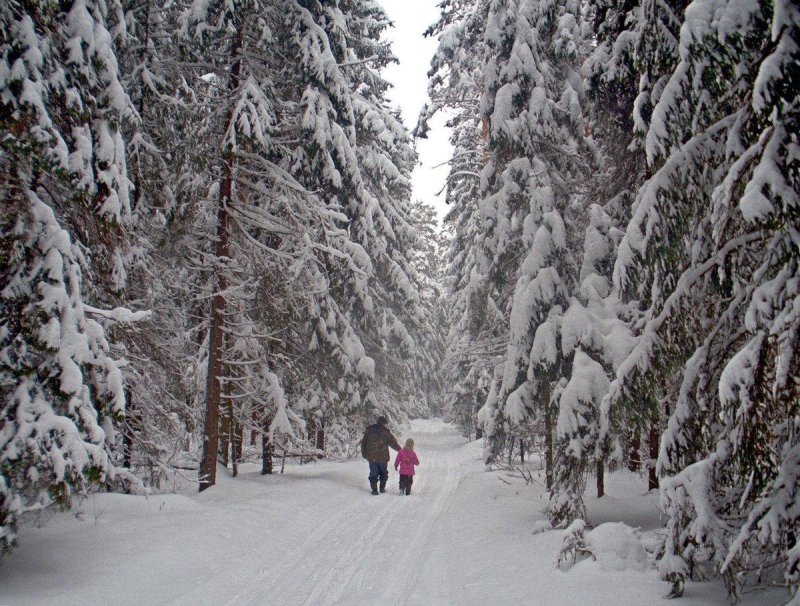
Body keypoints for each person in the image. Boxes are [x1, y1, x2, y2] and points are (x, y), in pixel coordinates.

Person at [360, 416, 401, 495]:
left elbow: (363, 443)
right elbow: (393, 443)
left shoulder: (369, 431)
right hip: (383, 457)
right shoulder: (386, 432)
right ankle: (382, 488)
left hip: (371, 457)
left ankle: (374, 490)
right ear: (384, 423)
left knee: (373, 473)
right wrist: (401, 451)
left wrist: (364, 453)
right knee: (383, 472)